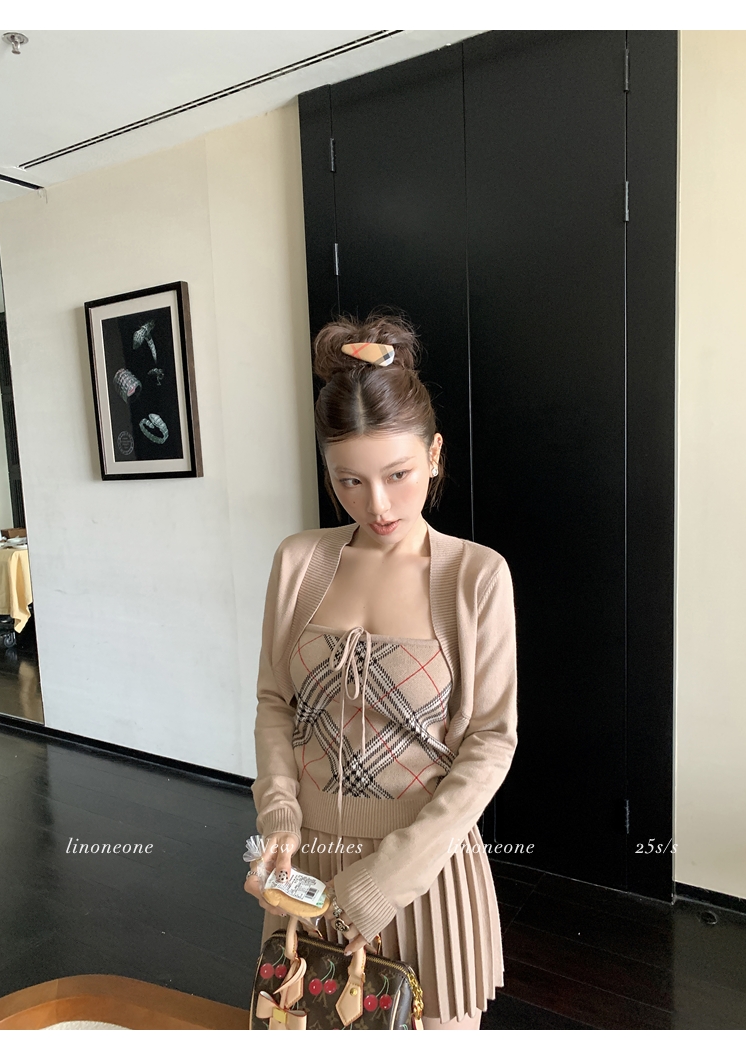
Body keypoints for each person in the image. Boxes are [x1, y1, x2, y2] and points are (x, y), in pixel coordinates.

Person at [244, 312, 518, 1030]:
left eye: (399, 475)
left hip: (426, 874)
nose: (380, 505)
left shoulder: (475, 576)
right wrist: (279, 816)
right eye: (351, 482)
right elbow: (276, 702)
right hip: (307, 866)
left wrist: (389, 878)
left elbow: (490, 742)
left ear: (434, 454)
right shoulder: (298, 562)